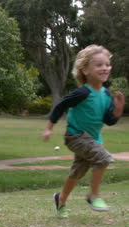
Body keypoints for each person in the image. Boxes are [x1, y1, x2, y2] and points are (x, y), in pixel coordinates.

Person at [42, 45, 125, 218]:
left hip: (93, 139)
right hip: (75, 136)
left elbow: (109, 120)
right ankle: (93, 195)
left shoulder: (105, 94)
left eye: (107, 64)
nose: (104, 68)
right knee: (103, 158)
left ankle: (61, 199)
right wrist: (49, 128)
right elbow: (60, 106)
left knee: (78, 172)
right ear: (85, 69)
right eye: (99, 65)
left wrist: (117, 110)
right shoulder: (82, 92)